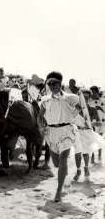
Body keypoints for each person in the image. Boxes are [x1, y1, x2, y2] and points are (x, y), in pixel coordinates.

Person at [37, 71, 81, 202]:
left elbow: (78, 107)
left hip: (66, 131)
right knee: (56, 164)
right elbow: (40, 117)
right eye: (49, 83)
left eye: (54, 83)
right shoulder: (45, 100)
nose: (51, 86)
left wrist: (71, 117)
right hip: (51, 132)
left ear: (60, 84)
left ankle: (58, 191)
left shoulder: (70, 97)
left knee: (63, 162)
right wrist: (41, 127)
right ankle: (64, 173)